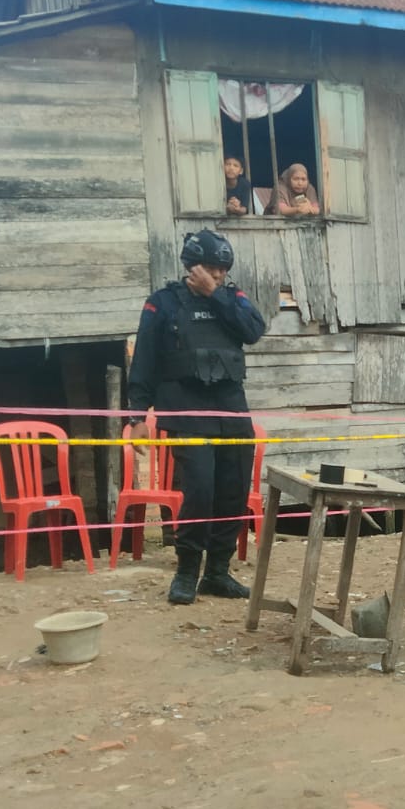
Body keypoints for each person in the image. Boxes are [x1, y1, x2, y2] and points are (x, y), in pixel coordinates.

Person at [128, 230, 268, 604]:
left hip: (232, 412)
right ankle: (187, 571)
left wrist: (215, 296)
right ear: (191, 265)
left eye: (222, 269)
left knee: (233, 492)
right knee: (200, 492)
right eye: (210, 268)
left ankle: (217, 573)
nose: (217, 275)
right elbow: (143, 360)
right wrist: (136, 417)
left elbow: (254, 331)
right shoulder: (163, 303)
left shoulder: (231, 298)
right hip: (187, 412)